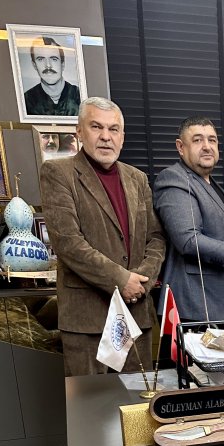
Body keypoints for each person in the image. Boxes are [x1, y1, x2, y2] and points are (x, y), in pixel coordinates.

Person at [40, 97, 166, 376]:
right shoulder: (58, 173)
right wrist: (121, 280)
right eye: (96, 127)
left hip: (135, 315)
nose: (106, 136)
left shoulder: (137, 178)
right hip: (87, 321)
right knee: (89, 401)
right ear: (79, 131)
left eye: (114, 129)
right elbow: (68, 242)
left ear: (122, 136)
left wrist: (141, 281)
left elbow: (156, 238)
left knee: (139, 399)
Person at [153, 116, 224, 323]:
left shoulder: (206, 181)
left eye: (212, 140)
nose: (207, 146)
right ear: (180, 147)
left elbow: (223, 232)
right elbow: (188, 240)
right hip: (199, 306)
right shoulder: (174, 178)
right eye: (198, 140)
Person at [24, 36, 81, 116]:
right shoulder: (27, 100)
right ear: (34, 65)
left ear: (62, 64)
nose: (48, 65)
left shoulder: (79, 95)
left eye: (54, 59)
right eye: (41, 59)